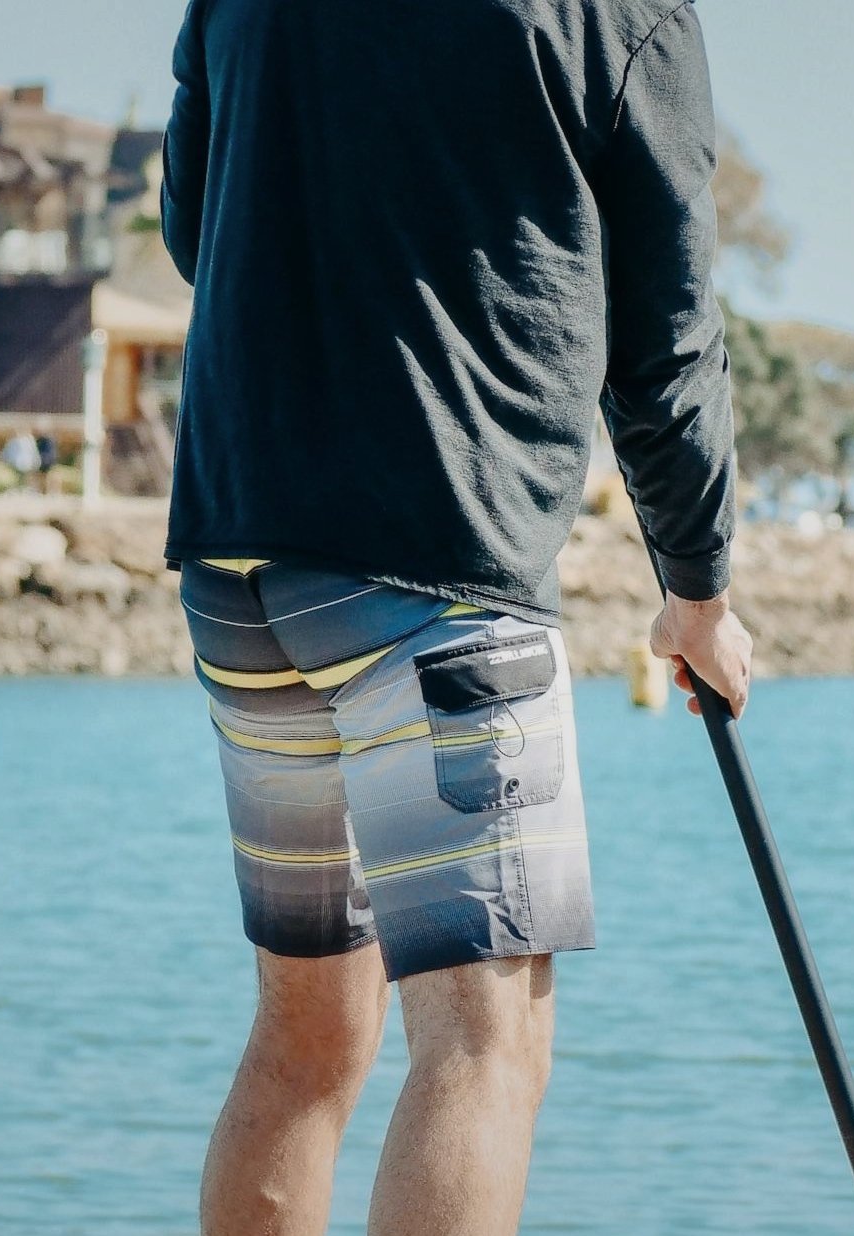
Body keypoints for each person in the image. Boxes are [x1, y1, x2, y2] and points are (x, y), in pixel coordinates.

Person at [161, 2, 754, 1233]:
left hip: (244, 561)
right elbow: (666, 330)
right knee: (483, 1046)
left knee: (306, 1037)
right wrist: (695, 589)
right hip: (441, 577)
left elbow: (190, 219)